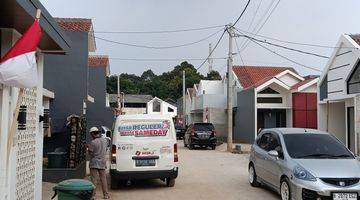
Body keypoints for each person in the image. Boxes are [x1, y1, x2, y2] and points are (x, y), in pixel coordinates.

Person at [88, 127, 110, 199]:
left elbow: (91, 153)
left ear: (92, 134)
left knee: (94, 180)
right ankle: (106, 195)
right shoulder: (105, 141)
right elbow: (105, 149)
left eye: (91, 134)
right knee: (103, 179)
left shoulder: (93, 142)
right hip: (102, 162)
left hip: (94, 162)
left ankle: (93, 196)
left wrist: (88, 148)